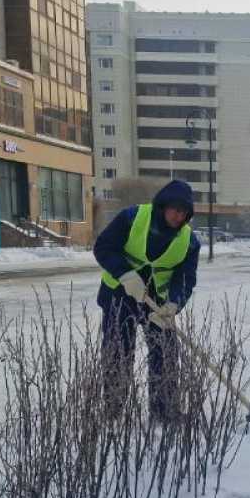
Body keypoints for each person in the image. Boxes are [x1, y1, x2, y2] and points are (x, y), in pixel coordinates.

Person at [93, 179, 200, 421]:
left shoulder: (189, 241)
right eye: (176, 209)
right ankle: (113, 411)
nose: (179, 217)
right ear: (163, 206)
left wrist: (174, 304)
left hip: (157, 304)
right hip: (119, 295)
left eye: (184, 213)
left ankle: (164, 410)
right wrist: (124, 273)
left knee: (166, 350)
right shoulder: (131, 217)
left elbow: (185, 278)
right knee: (118, 351)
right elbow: (103, 247)